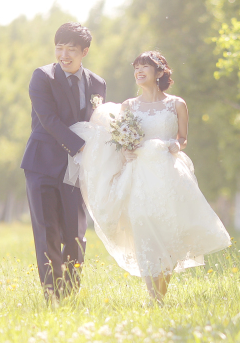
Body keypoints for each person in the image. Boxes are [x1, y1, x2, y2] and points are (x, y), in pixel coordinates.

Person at [66, 50, 230, 303]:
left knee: (169, 229)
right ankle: (154, 297)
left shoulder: (177, 104)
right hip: (138, 175)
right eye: (136, 67)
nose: (139, 71)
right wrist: (127, 150)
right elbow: (121, 138)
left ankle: (160, 296)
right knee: (143, 225)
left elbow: (183, 138)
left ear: (160, 72)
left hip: (168, 172)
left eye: (145, 67)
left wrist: (176, 145)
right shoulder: (129, 106)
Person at [20, 23, 107, 303]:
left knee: (75, 233)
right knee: (47, 230)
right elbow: (49, 120)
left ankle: (69, 294)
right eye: (59, 47)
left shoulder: (98, 84)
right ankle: (51, 295)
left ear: (85, 51)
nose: (64, 54)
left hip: (78, 169)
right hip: (42, 164)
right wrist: (81, 147)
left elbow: (97, 121)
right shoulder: (42, 77)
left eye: (71, 49)